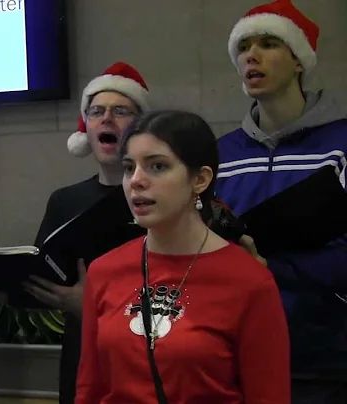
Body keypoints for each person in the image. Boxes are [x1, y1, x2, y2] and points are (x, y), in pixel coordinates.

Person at [76, 110, 290, 403]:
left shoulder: (249, 282)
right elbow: (90, 388)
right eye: (129, 168)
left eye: (157, 166)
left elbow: (268, 395)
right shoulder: (104, 271)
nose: (136, 181)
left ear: (199, 180)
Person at [218, 1, 347, 402]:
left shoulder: (340, 145)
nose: (251, 55)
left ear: (298, 61)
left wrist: (271, 268)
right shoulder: (220, 156)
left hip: (325, 358)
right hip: (235, 356)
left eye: (268, 43)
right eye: (243, 48)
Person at [18, 61, 151, 404]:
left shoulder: (159, 198)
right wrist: (10, 286)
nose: (106, 118)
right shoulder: (65, 200)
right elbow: (45, 273)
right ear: (86, 127)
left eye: (121, 110)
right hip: (82, 359)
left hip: (148, 355)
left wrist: (91, 306)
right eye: (96, 111)